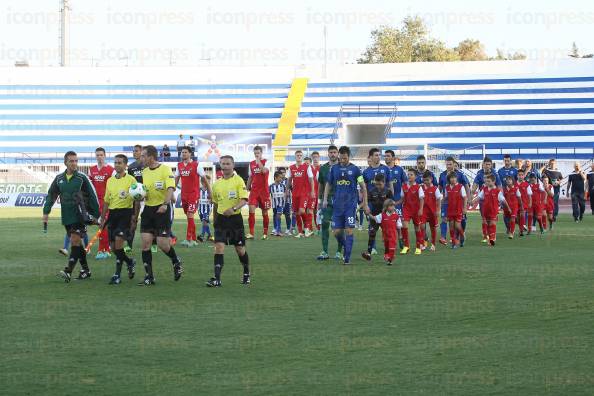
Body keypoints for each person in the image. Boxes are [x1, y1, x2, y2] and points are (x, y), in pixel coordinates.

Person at [43, 151, 100, 282]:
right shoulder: (59, 179)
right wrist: (46, 212)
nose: (74, 163)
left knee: (74, 240)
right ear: (65, 162)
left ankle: (68, 270)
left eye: (76, 161)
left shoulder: (82, 178)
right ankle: (86, 270)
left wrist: (96, 215)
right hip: (67, 217)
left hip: (80, 216)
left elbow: (92, 196)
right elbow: (51, 195)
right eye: (71, 161)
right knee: (77, 243)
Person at [137, 145, 183, 286]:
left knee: (163, 244)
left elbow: (170, 187)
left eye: (144, 155)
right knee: (145, 244)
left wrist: (165, 203)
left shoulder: (165, 169)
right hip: (148, 210)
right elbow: (145, 191)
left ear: (151, 156)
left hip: (162, 209)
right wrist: (140, 196)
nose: (141, 158)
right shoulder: (144, 172)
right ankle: (149, 276)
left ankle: (176, 261)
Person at [206, 155, 250, 287]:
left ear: (233, 165)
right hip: (220, 220)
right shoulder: (216, 184)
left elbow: (244, 200)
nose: (224, 166)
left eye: (227, 164)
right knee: (218, 247)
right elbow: (215, 203)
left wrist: (234, 208)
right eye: (222, 164)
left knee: (240, 249)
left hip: (235, 220)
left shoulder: (239, 181)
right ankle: (217, 279)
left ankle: (246, 273)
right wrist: (214, 219)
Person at [322, 146, 369, 265]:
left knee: (348, 230)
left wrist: (365, 203)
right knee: (336, 232)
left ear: (348, 156)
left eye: (345, 158)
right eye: (341, 158)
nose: (342, 160)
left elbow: (363, 186)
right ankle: (347, 248)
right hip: (337, 205)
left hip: (350, 205)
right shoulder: (334, 169)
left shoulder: (355, 170)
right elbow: (328, 184)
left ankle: (347, 258)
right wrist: (325, 199)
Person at [99, 154, 138, 284]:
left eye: (120, 163)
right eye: (115, 162)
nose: (117, 165)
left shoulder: (131, 180)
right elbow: (106, 201)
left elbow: (137, 199)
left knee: (118, 243)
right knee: (113, 248)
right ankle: (130, 262)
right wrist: (103, 218)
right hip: (112, 215)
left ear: (126, 165)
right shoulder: (110, 180)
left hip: (125, 214)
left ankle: (117, 275)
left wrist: (134, 216)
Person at [175, 146, 211, 247]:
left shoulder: (197, 165)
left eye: (186, 152)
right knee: (189, 217)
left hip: (194, 195)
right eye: (182, 152)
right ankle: (194, 239)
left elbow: (205, 180)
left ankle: (188, 239)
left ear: (190, 154)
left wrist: (210, 192)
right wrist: (171, 191)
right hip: (184, 195)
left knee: (190, 215)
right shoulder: (179, 165)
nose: (183, 154)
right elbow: (176, 180)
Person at [317, 145, 343, 260]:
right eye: (331, 152)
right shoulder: (323, 168)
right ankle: (325, 251)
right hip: (326, 201)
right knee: (324, 225)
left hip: (340, 201)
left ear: (338, 154)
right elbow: (321, 185)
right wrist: (319, 200)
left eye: (334, 152)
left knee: (339, 227)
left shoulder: (342, 167)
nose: (333, 154)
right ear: (328, 154)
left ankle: (339, 251)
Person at [88, 147, 115, 260]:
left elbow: (114, 186)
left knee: (103, 225)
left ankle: (103, 250)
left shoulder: (111, 170)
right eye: (97, 155)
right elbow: (89, 186)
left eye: (101, 155)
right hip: (95, 202)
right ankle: (106, 249)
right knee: (100, 225)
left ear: (105, 155)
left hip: (106, 202)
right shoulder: (91, 169)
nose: (99, 157)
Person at [438, 157, 470, 245]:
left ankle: (460, 235)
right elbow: (440, 187)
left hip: (458, 203)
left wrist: (468, 198)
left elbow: (466, 185)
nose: (448, 166)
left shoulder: (459, 174)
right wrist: (437, 200)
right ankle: (443, 237)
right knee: (445, 219)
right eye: (447, 164)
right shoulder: (442, 175)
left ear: (453, 164)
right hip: (446, 202)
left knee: (460, 222)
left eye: (450, 164)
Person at [361, 173, 393, 261]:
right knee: (372, 232)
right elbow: (367, 203)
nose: (378, 186)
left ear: (384, 182)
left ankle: (387, 254)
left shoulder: (388, 191)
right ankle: (368, 252)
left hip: (385, 216)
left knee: (387, 235)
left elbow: (391, 205)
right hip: (375, 216)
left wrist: (387, 214)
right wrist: (367, 209)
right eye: (376, 184)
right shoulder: (371, 191)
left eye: (380, 184)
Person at [473, 174, 511, 246]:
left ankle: (492, 239)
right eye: (486, 181)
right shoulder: (484, 190)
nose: (487, 183)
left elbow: (503, 200)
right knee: (487, 225)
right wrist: (472, 201)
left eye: (489, 181)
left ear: (494, 182)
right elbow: (479, 197)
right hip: (485, 211)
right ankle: (490, 237)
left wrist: (508, 208)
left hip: (493, 211)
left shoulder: (497, 191)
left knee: (492, 224)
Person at [472, 157, 502, 243]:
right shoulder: (479, 173)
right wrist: (472, 192)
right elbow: (475, 185)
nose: (487, 166)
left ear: (491, 165)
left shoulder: (495, 173)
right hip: (483, 199)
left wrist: (499, 199)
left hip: (493, 199)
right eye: (486, 164)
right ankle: (486, 236)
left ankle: (492, 235)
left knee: (493, 219)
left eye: (489, 164)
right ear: (483, 164)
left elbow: (499, 186)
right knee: (484, 218)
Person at [286, 150, 315, 238]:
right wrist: (286, 190)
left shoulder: (307, 167)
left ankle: (307, 228)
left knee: (302, 211)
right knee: (296, 213)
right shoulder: (291, 167)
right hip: (295, 193)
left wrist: (312, 191)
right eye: (297, 155)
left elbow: (311, 179)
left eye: (300, 155)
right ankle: (300, 232)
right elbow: (289, 180)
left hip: (304, 193)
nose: (299, 156)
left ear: (302, 157)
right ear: (295, 156)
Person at [246, 145, 271, 240]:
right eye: (255, 153)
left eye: (258, 153)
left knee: (264, 212)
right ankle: (251, 233)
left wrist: (258, 162)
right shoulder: (251, 164)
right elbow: (250, 177)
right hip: (254, 191)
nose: (256, 155)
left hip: (264, 191)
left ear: (261, 153)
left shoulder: (266, 161)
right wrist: (247, 187)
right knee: (251, 209)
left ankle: (265, 233)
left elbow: (264, 171)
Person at [368, 199, 402, 265]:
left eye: (393, 206)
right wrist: (368, 214)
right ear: (386, 207)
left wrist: (400, 235)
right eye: (390, 206)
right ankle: (387, 255)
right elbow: (374, 218)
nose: (392, 207)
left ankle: (390, 261)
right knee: (387, 248)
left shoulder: (397, 217)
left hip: (393, 236)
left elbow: (399, 227)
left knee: (392, 249)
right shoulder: (382, 215)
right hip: (385, 236)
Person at [384, 149, 407, 249]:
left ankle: (400, 238)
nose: (386, 158)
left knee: (399, 219)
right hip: (386, 200)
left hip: (397, 198)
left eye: (388, 156)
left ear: (393, 158)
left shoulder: (400, 170)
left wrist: (404, 197)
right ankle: (389, 240)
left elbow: (404, 184)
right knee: (387, 221)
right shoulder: (383, 170)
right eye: (385, 156)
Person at [401, 168, 425, 255]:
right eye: (408, 174)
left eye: (411, 175)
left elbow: (422, 199)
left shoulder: (418, 187)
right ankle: (406, 246)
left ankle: (418, 247)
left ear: (415, 176)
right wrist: (394, 203)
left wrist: (421, 209)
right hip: (406, 209)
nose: (409, 176)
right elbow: (402, 199)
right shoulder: (404, 186)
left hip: (416, 210)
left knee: (417, 228)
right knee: (404, 226)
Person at [126, 144, 144, 252]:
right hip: (135, 198)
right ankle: (129, 245)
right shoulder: (131, 167)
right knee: (133, 221)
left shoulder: (146, 165)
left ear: (142, 152)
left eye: (136, 151)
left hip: (147, 197)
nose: (134, 152)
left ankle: (154, 244)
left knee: (150, 220)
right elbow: (129, 182)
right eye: (133, 151)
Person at [421, 170, 442, 251]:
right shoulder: (421, 187)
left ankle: (433, 244)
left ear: (431, 179)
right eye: (424, 180)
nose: (426, 181)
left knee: (433, 228)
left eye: (427, 180)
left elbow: (439, 199)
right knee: (421, 226)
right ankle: (423, 242)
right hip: (423, 211)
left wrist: (438, 210)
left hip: (432, 212)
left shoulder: (435, 189)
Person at [445, 171, 467, 249]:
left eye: (454, 178)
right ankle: (453, 243)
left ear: (456, 178)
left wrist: (464, 208)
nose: (453, 179)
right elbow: (446, 199)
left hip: (458, 210)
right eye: (451, 178)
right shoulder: (447, 188)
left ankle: (462, 236)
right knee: (451, 226)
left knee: (457, 226)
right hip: (450, 210)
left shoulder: (461, 187)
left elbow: (464, 198)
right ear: (449, 179)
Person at [269, 171, 287, 236]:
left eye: (282, 178)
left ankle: (278, 230)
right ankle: (276, 229)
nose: (281, 179)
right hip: (274, 204)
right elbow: (268, 194)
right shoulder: (271, 186)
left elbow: (286, 193)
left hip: (281, 204)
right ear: (275, 177)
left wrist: (285, 196)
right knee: (275, 216)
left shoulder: (283, 186)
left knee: (278, 215)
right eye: (280, 177)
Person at [516, 169, 532, 237]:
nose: (521, 176)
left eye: (522, 175)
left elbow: (529, 195)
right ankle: (521, 227)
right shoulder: (514, 184)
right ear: (517, 176)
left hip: (524, 204)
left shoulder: (526, 185)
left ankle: (521, 230)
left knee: (522, 216)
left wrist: (530, 203)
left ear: (524, 176)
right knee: (517, 218)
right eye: (519, 175)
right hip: (515, 204)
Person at [198, 175, 213, 242]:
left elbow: (213, 200)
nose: (208, 183)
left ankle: (202, 235)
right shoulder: (198, 190)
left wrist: (211, 200)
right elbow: (196, 198)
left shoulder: (210, 190)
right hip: (200, 209)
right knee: (205, 223)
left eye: (209, 182)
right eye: (207, 182)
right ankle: (209, 235)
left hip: (207, 209)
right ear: (202, 182)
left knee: (204, 221)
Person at [310, 152, 321, 232]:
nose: (315, 158)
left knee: (320, 210)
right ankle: (313, 227)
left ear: (319, 157)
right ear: (312, 158)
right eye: (314, 157)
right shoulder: (309, 168)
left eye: (316, 157)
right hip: (311, 193)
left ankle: (320, 227)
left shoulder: (322, 168)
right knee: (312, 211)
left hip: (320, 193)